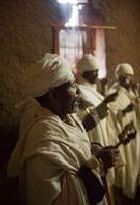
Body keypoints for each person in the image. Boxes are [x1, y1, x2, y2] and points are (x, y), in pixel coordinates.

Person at [7, 53, 119, 205]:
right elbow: (51, 199)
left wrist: (91, 150)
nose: (78, 92)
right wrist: (96, 166)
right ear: (53, 94)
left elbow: (74, 149)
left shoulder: (67, 117)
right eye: (72, 85)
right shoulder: (44, 136)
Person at [76, 54, 124, 205]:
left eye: (97, 71)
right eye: (93, 72)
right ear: (84, 73)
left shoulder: (93, 91)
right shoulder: (80, 91)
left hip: (102, 137)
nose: (97, 75)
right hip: (92, 140)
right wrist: (105, 104)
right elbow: (85, 121)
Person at [106, 63, 140, 204]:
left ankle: (133, 191)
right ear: (120, 77)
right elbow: (110, 114)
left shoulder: (129, 92)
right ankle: (125, 196)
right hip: (123, 137)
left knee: (135, 163)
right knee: (126, 168)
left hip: (133, 135)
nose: (129, 80)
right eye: (127, 77)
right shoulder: (113, 92)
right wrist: (124, 111)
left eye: (130, 77)